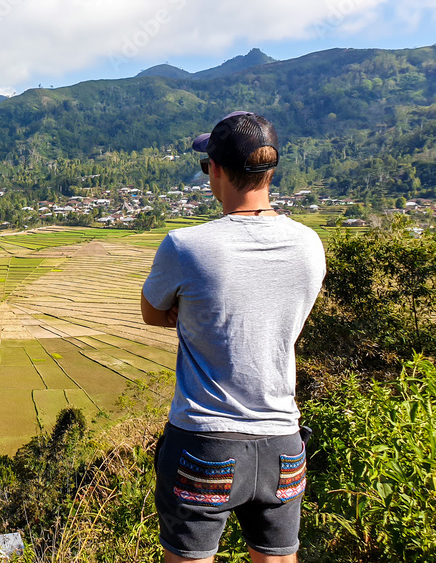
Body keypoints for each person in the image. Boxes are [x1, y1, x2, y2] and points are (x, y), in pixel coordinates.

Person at [140, 112, 326, 563]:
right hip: (282, 440)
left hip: (206, 442)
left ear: (216, 170)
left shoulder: (187, 246)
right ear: (270, 171)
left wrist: (193, 313)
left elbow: (152, 313)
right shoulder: (309, 244)